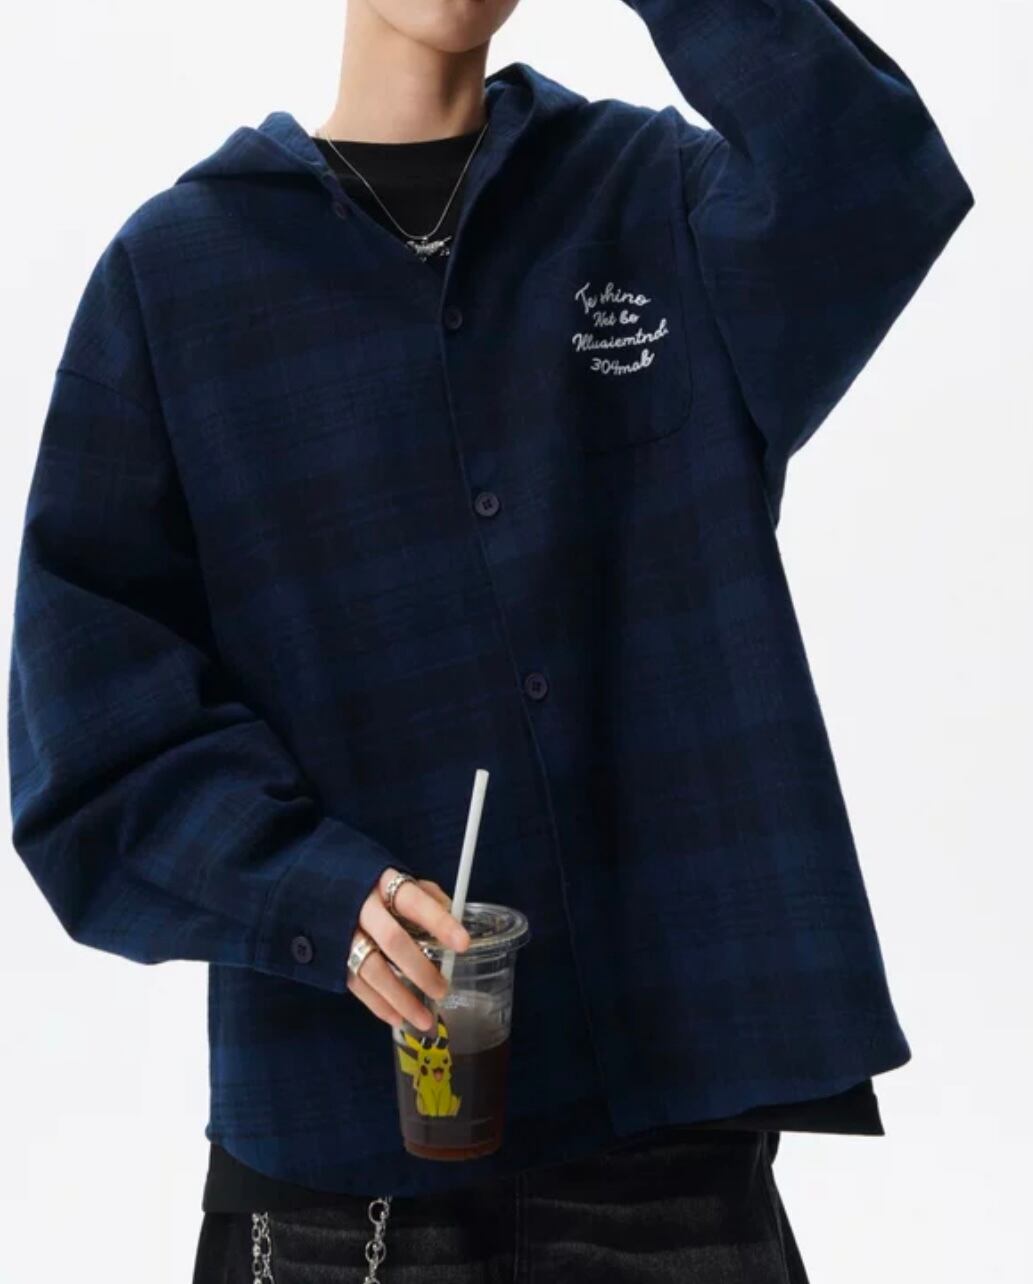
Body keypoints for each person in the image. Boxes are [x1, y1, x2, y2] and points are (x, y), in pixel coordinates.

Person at [7, 0, 972, 1279]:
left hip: (665, 1161)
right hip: (343, 1174)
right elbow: (90, 746)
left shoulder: (661, 204)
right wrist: (319, 897)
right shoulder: (176, 277)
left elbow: (871, 180)